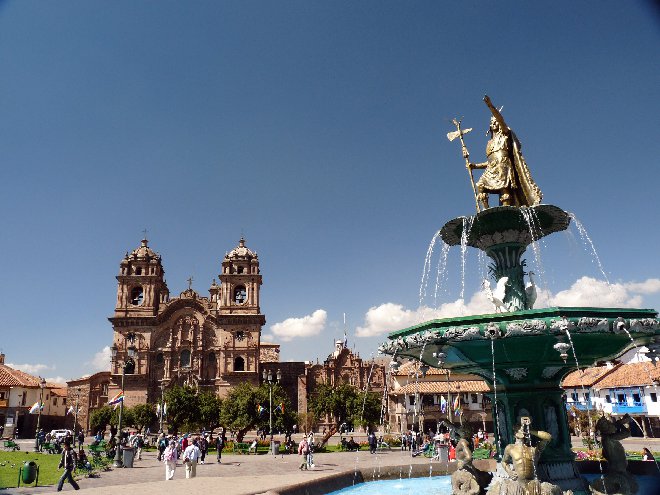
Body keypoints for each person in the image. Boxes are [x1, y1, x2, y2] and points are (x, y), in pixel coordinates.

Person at [466, 95, 542, 210]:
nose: (494, 123)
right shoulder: (489, 143)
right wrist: (475, 166)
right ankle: (486, 210)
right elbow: (490, 162)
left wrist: (491, 107)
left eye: (495, 121)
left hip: (504, 165)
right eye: (492, 122)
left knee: (504, 190)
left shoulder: (505, 134)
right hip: (492, 167)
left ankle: (507, 210)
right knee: (480, 185)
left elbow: (501, 120)